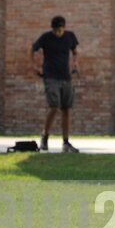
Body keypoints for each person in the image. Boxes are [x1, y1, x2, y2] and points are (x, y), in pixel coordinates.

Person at [31, 16, 81, 152]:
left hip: (66, 77)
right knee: (54, 106)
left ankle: (66, 142)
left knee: (67, 109)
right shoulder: (46, 37)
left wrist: (75, 63)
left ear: (64, 28)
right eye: (56, 30)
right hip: (50, 77)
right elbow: (34, 49)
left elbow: (75, 51)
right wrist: (35, 66)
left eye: (60, 30)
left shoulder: (70, 36)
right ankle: (45, 136)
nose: (58, 32)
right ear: (52, 29)